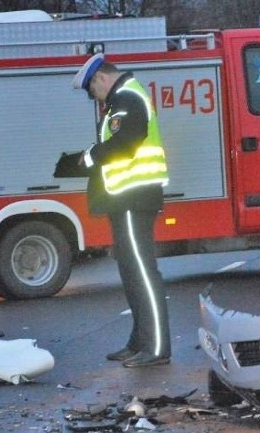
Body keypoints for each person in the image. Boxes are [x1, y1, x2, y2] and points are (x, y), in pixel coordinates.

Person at [70, 53, 171, 368]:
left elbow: (126, 142)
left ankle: (156, 347)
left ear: (100, 78)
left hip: (133, 197)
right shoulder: (122, 99)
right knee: (131, 272)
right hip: (125, 198)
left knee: (142, 272)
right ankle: (139, 341)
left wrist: (90, 156)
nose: (94, 98)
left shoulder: (126, 97)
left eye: (92, 91)